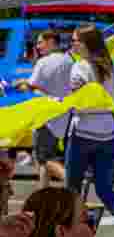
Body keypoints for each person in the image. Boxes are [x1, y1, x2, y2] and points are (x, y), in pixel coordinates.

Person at [64, 26, 114, 217]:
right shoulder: (112, 66)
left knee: (72, 188)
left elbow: (80, 105)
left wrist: (62, 104)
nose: (71, 44)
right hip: (109, 133)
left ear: (86, 44)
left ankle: (74, 228)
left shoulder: (79, 68)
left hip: (82, 132)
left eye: (75, 40)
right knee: (105, 190)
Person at [15, 31, 72, 188]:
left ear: (51, 41)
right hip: (66, 114)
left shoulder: (44, 62)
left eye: (40, 42)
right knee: (47, 159)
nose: (38, 46)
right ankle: (43, 193)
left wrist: (21, 84)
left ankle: (70, 181)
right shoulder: (70, 60)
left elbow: (31, 86)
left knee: (43, 158)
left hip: (47, 116)